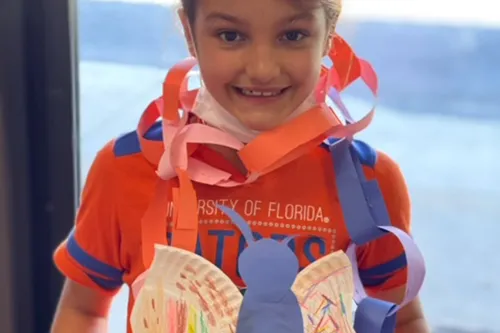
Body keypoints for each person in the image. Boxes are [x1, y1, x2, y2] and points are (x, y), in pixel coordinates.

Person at [50, 0, 429, 332]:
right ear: (189, 31)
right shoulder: (125, 169)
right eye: (231, 36)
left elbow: (404, 321)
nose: (262, 68)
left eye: (293, 35)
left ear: (329, 33)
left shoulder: (369, 181)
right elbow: (83, 310)